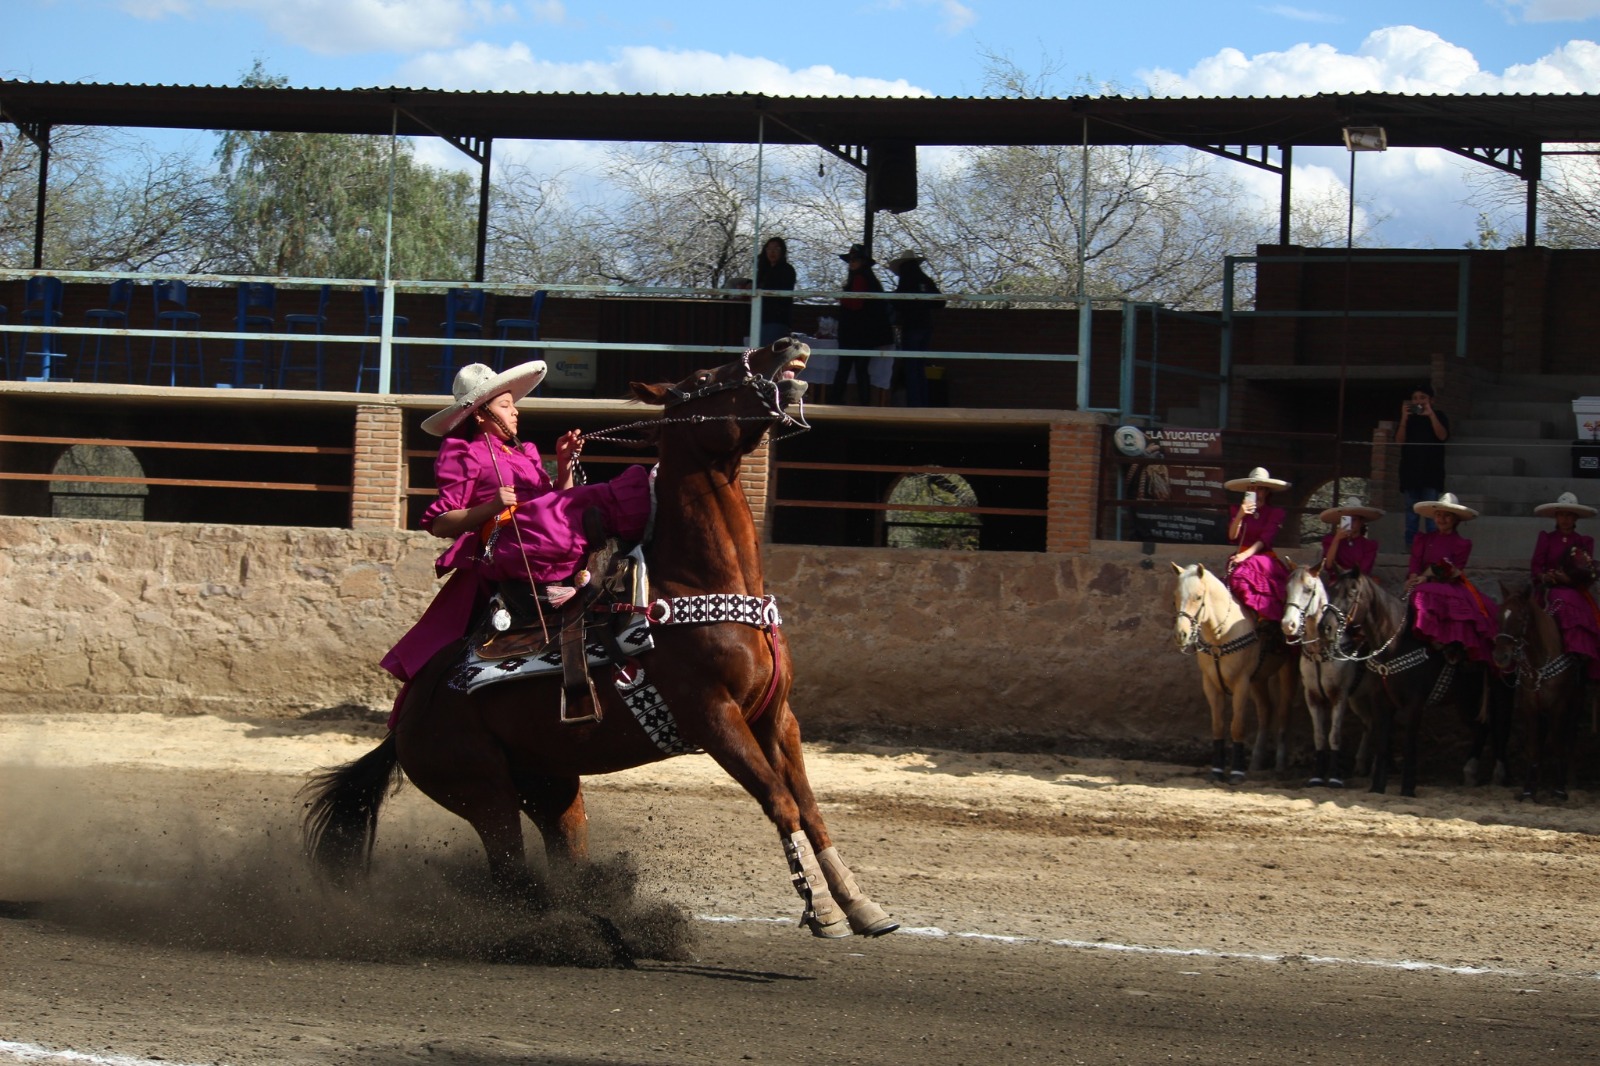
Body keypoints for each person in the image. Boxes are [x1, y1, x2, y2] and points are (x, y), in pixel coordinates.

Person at [379, 361, 653, 725]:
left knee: (576, 502)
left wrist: (566, 466)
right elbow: (440, 523)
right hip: (512, 544)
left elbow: (559, 504)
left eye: (513, 404)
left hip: (546, 535)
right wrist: (492, 506)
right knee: (581, 505)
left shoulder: (526, 454)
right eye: (506, 405)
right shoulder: (464, 454)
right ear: (481, 414)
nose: (516, 410)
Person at [1405, 492, 1496, 662]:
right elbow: (1415, 562)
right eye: (1439, 515)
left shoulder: (1461, 543)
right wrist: (1413, 577)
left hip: (1448, 585)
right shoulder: (1423, 539)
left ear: (1456, 520)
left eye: (1447, 515)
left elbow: (1455, 570)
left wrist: (1428, 576)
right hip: (1422, 582)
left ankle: (1444, 642)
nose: (1442, 519)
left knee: (1425, 592)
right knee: (1416, 592)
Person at [1529, 491, 1600, 680]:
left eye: (1569, 515)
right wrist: (1545, 576)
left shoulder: (1583, 542)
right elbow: (1536, 566)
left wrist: (1569, 580)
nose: (1565, 519)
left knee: (1569, 600)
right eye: (1561, 514)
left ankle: (1576, 653)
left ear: (1575, 517)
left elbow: (1586, 572)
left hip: (1573, 590)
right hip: (1549, 589)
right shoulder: (1547, 538)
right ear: (1556, 516)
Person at [1223, 466, 1292, 623]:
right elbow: (1232, 536)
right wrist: (1241, 514)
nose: (1256, 492)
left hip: (1262, 557)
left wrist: (1245, 556)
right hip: (1241, 554)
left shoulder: (1274, 513)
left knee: (1244, 574)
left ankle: (1263, 617)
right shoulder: (1237, 510)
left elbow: (1264, 539)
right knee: (1234, 579)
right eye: (1252, 488)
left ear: (1266, 492)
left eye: (1260, 489)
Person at [833, 243, 895, 406]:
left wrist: (842, 297)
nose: (852, 262)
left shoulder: (860, 278)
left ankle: (835, 400)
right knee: (859, 370)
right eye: (851, 259)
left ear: (863, 262)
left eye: (856, 259)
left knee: (846, 369)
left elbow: (856, 303)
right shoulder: (867, 279)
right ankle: (863, 402)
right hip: (863, 333)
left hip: (855, 332)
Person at [1394, 384, 1450, 550]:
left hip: (1431, 473)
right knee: (1411, 513)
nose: (1418, 402)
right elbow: (1399, 440)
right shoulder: (1409, 420)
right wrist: (1404, 417)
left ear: (1431, 400)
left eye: (1423, 398)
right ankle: (1411, 548)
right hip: (1410, 473)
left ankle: (1433, 548)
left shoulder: (1439, 415)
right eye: (1415, 399)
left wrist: (1430, 414)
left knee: (1432, 514)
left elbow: (1442, 436)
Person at [885, 251, 944, 407]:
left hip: (912, 327)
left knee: (911, 366)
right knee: (920, 366)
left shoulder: (907, 281)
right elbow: (941, 302)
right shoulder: (925, 280)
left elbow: (898, 303)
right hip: (926, 326)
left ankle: (914, 403)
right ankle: (923, 402)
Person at [1318, 495, 1383, 574]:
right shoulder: (1330, 540)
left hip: (1359, 582)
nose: (1351, 523)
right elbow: (1328, 565)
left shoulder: (1369, 545)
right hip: (1337, 582)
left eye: (1354, 520)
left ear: (1361, 522)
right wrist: (1337, 539)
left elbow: (1364, 569)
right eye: (1347, 520)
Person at [755, 236, 796, 347]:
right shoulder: (762, 271)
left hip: (777, 319)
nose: (772, 252)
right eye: (769, 249)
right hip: (760, 318)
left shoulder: (787, 270)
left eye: (776, 249)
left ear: (782, 251)